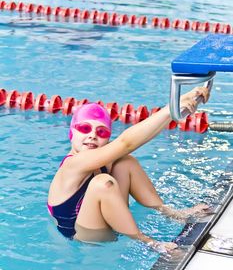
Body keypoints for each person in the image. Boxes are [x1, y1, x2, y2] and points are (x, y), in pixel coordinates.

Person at [47, 87, 210, 252]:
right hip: (84, 237)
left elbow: (138, 139)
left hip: (111, 224)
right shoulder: (73, 164)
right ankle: (148, 242)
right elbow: (126, 142)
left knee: (125, 161)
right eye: (84, 128)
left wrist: (176, 109)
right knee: (102, 182)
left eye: (101, 131)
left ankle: (171, 213)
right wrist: (170, 108)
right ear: (71, 133)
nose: (93, 135)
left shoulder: (102, 157)